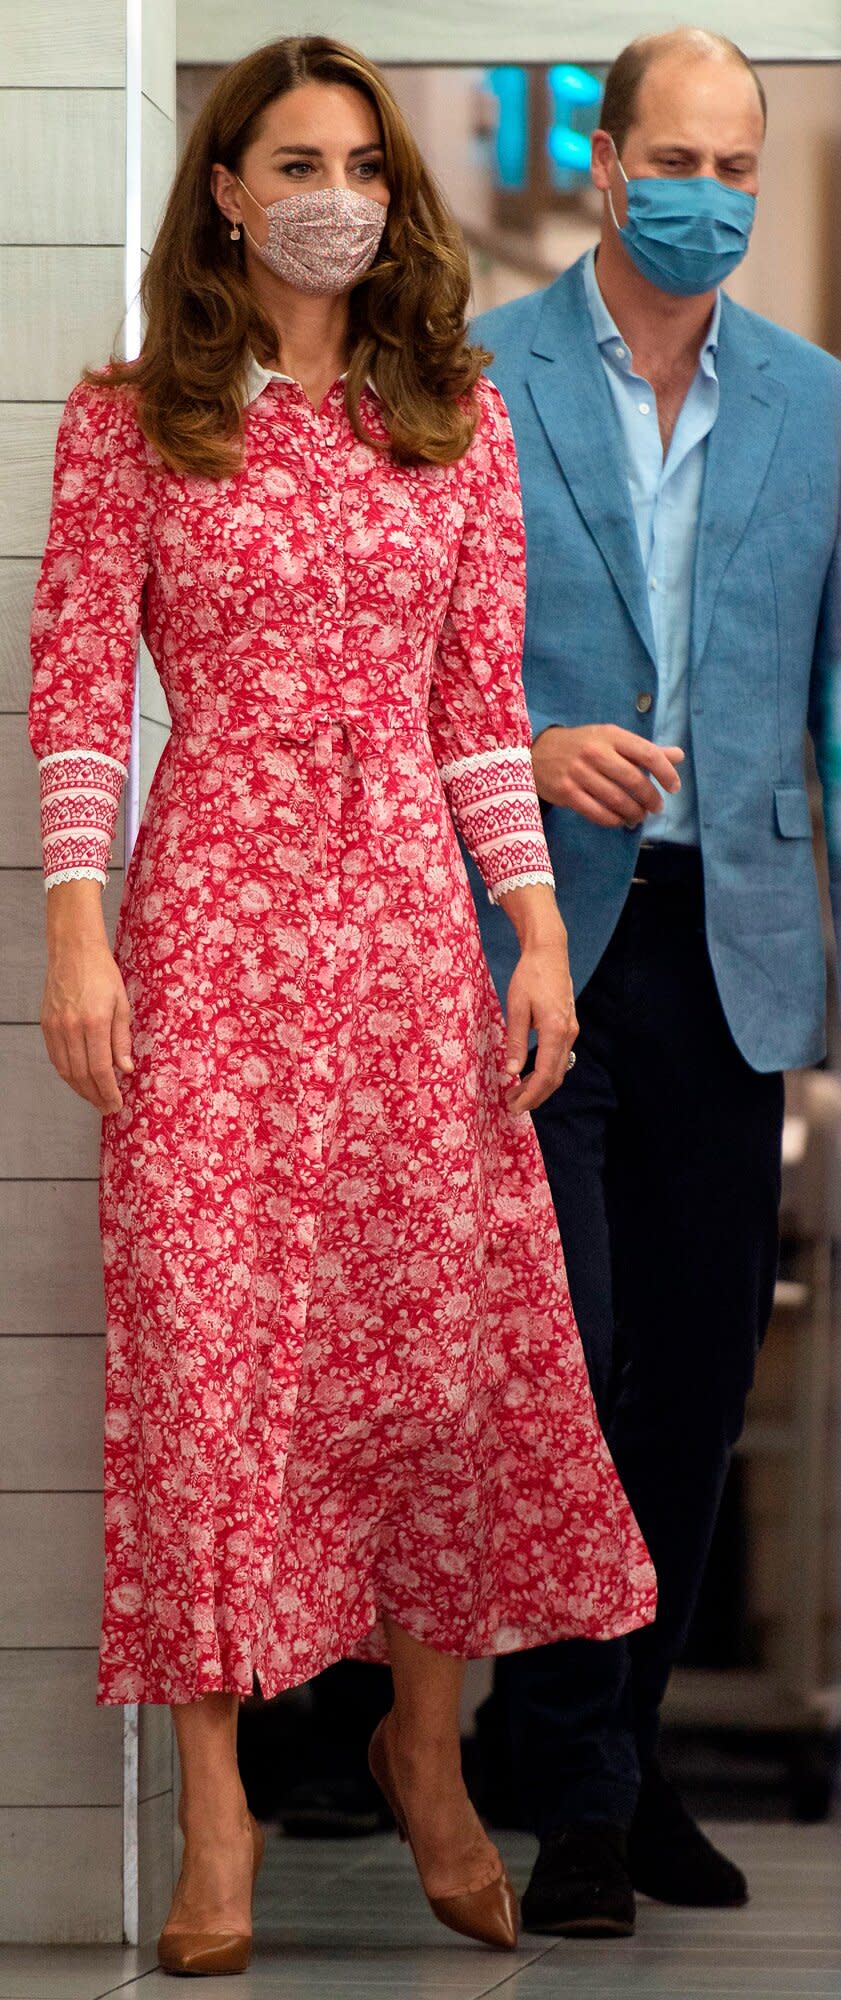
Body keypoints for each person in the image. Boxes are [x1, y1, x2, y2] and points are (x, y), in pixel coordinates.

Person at [28, 34, 657, 1979]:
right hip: (209, 944)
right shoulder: (131, 419)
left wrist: (533, 933)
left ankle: (426, 1746)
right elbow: (71, 695)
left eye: (365, 162)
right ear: (224, 189)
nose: (337, 190)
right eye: (295, 156)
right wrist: (76, 921)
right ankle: (214, 1802)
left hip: (403, 956)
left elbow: (479, 720)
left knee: (433, 1361)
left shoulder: (450, 423)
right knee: (209, 1369)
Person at [465, 26, 841, 1939]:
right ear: (605, 164)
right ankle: (585, 1794)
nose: (709, 193)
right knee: (569, 1368)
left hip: (738, 946)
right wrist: (526, 752)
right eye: (673, 156)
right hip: (532, 941)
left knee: (691, 1381)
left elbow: (833, 703)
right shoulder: (472, 377)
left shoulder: (818, 400)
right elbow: (420, 658)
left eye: (738, 164)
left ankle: (610, 1746)